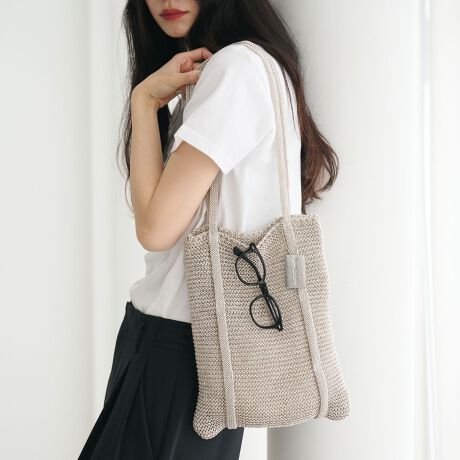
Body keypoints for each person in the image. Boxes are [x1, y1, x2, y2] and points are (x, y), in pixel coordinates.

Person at [78, 0, 338, 458]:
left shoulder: (235, 68)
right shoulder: (251, 68)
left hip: (176, 354)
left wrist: (144, 101)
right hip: (195, 352)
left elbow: (155, 228)